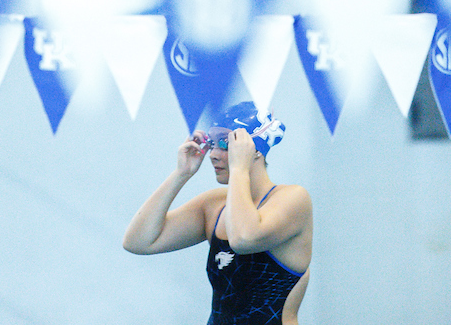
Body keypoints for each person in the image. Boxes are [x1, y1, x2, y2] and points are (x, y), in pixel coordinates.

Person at [123, 101, 312, 325]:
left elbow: (243, 238)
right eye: (212, 144)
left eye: (225, 143)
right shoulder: (214, 204)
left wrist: (240, 168)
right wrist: (181, 174)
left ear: (256, 150)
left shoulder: (293, 199)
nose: (213, 154)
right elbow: (138, 242)